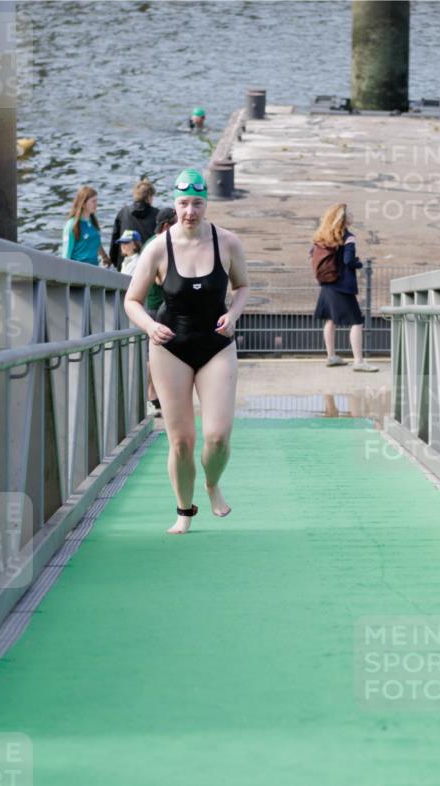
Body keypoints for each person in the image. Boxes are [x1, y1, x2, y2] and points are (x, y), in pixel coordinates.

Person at [124, 168, 249, 534]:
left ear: (206, 203)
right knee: (181, 441)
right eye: (183, 204)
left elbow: (242, 287)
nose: (190, 211)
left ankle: (212, 483)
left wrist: (234, 314)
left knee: (217, 436)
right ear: (174, 205)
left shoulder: (226, 242)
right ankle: (184, 511)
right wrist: (149, 325)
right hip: (170, 347)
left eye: (197, 203)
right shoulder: (158, 248)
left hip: (216, 345)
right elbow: (131, 300)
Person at [312, 203, 378, 372]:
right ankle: (359, 361)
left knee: (331, 320)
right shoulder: (348, 237)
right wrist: (358, 262)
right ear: (343, 219)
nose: (352, 215)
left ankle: (332, 356)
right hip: (342, 286)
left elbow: (313, 254)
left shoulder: (322, 237)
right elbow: (348, 261)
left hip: (327, 284)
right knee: (357, 321)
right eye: (349, 213)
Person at [144, 207, 178, 416]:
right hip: (156, 306)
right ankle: (151, 397)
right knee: (156, 353)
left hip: (164, 306)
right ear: (166, 225)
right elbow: (156, 278)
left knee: (164, 353)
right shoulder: (156, 245)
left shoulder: (161, 243)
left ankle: (159, 396)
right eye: (175, 223)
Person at [109, 178, 159, 270]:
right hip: (149, 265)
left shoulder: (123, 212)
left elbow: (114, 242)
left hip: (126, 263)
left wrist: (116, 263)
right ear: (149, 197)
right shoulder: (157, 215)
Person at [61, 186, 111, 266]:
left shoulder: (93, 222)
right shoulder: (71, 225)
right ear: (83, 204)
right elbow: (66, 255)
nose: (96, 204)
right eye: (93, 201)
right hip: (78, 271)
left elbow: (95, 242)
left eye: (96, 201)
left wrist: (105, 257)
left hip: (94, 269)